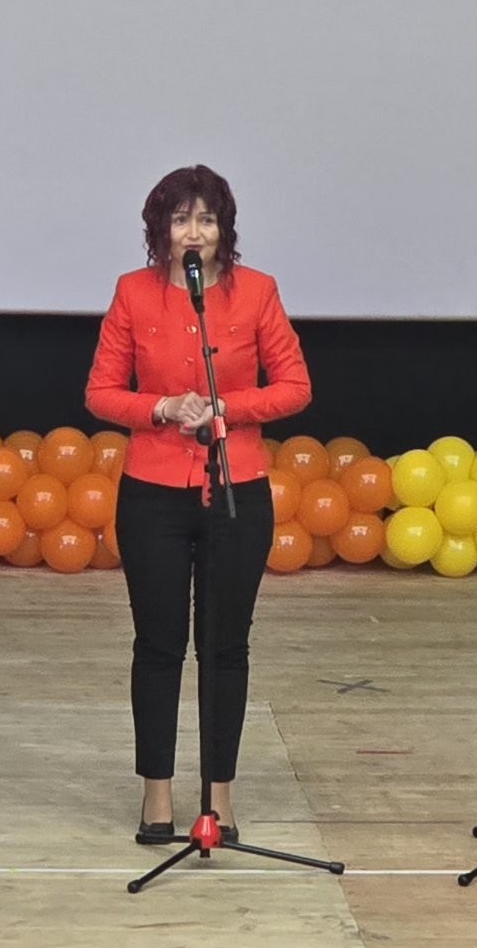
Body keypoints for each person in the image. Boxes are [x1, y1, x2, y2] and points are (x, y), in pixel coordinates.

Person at [85, 165, 312, 844]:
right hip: (151, 492)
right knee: (159, 645)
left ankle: (219, 797)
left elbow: (296, 386)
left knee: (225, 646)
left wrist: (225, 408)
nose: (194, 232)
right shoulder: (133, 292)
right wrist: (160, 408)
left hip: (235, 486)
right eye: (181, 219)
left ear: (224, 230)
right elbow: (100, 392)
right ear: (160, 229)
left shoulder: (257, 292)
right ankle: (156, 795)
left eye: (206, 219)